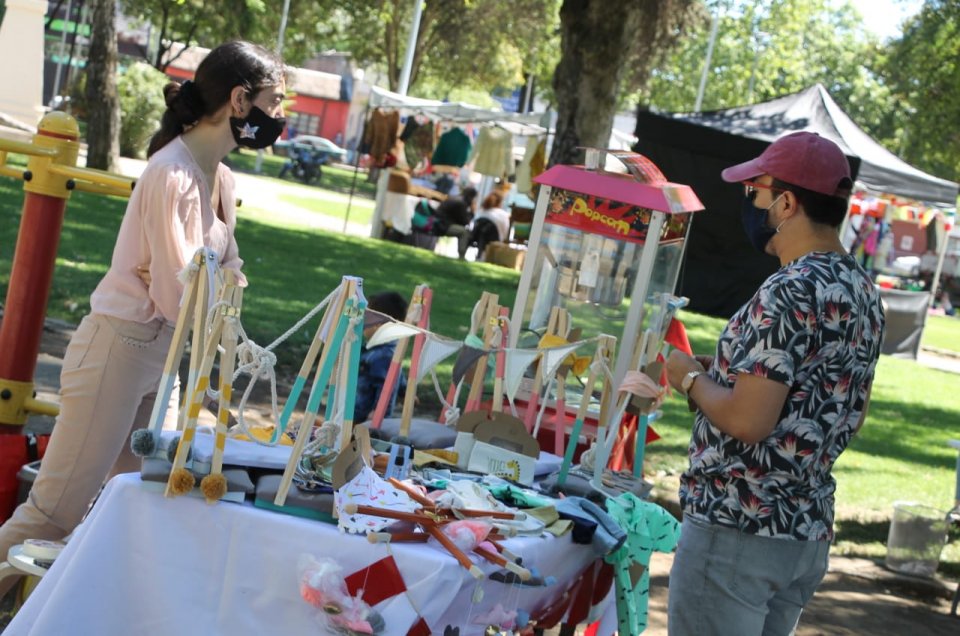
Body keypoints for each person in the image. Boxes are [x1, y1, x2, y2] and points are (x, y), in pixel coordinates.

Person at [0, 40, 286, 596]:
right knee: (53, 514)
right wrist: (222, 312)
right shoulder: (171, 173)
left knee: (128, 507)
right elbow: (179, 292)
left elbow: (221, 278)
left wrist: (220, 310)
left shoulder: (221, 180)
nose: (279, 118)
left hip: (164, 358)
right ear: (238, 100)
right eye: (274, 103)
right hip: (120, 348)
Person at [664, 132, 885, 636]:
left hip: (739, 525)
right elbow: (844, 405)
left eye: (755, 192)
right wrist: (726, 372)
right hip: (802, 529)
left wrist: (690, 377)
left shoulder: (788, 290)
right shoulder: (863, 292)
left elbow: (749, 419)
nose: (750, 203)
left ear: (786, 202)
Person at [354, 291, 409, 423]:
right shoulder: (386, 350)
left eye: (367, 318)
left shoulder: (382, 355)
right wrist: (404, 391)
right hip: (358, 411)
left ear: (379, 324)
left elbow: (386, 386)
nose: (363, 323)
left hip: (364, 417)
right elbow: (396, 375)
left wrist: (378, 413)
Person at [435, 186, 477, 259]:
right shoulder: (461, 203)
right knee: (465, 232)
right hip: (443, 226)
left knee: (464, 230)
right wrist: (472, 212)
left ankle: (462, 256)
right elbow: (465, 221)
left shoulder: (455, 198)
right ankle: (462, 256)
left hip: (439, 223)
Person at [470, 190, 511, 259]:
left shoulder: (482, 211)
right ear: (500, 202)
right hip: (493, 238)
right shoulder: (504, 215)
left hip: (477, 236)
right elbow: (505, 232)